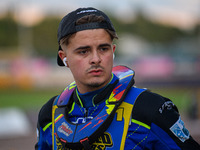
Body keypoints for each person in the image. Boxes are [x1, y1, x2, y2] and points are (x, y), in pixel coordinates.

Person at [35, 7, 200, 150]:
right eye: (83, 51)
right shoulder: (49, 115)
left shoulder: (150, 109)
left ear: (113, 51)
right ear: (64, 58)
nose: (96, 59)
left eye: (103, 49)